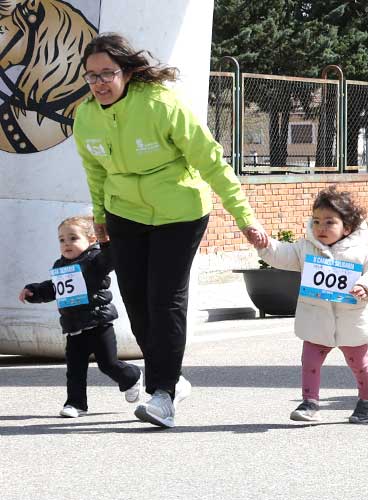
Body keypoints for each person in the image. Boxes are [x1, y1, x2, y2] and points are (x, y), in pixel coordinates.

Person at [73, 33, 268, 428]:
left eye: (107, 73)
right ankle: (171, 378)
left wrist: (244, 216)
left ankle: (162, 394)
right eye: (91, 76)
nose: (99, 83)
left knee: (165, 299)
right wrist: (100, 215)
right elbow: (94, 169)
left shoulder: (161, 104)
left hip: (179, 211)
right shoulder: (86, 116)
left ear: (127, 72)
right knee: (136, 301)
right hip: (124, 211)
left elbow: (212, 161)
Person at [256, 186, 368, 424]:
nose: (321, 228)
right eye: (316, 221)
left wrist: (365, 287)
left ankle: (367, 401)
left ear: (347, 227)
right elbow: (282, 254)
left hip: (352, 321)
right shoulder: (305, 248)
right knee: (310, 362)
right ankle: (310, 403)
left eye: (330, 222)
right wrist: (264, 244)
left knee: (359, 364)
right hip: (316, 320)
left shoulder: (363, 252)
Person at [19, 216, 143, 418]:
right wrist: (34, 292)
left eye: (73, 238)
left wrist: (107, 242)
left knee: (108, 364)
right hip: (74, 326)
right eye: (61, 240)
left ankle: (131, 376)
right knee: (75, 369)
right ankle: (76, 404)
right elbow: (53, 289)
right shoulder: (60, 266)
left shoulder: (96, 260)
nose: (66, 244)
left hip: (99, 323)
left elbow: (111, 258)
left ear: (91, 239)